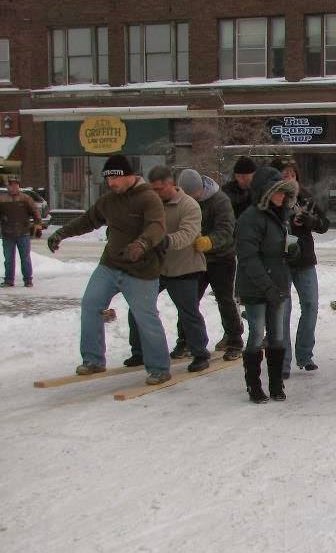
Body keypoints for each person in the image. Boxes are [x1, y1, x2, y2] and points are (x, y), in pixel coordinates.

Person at [46, 155, 171, 384]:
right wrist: (61, 233)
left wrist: (141, 244)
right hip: (111, 265)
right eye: (108, 179)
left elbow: (157, 227)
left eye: (116, 178)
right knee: (91, 304)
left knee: (146, 318)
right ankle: (93, 359)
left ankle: (160, 368)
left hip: (142, 270)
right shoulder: (109, 200)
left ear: (130, 176)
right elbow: (88, 220)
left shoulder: (149, 198)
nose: (111, 183)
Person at [125, 165, 210, 372]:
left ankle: (200, 353)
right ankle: (139, 351)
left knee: (188, 312)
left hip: (185, 267)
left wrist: (163, 241)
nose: (156, 193)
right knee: (138, 306)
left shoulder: (189, 205)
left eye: (160, 189)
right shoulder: (150, 203)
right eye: (152, 189)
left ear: (171, 184)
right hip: (156, 267)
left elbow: (188, 234)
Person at [235, 170, 299, 403]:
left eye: (284, 191)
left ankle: (275, 383)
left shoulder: (279, 216)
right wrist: (268, 288)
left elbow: (276, 251)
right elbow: (249, 259)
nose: (282, 196)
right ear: (266, 192)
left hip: (278, 285)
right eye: (278, 191)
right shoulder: (250, 219)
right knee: (256, 335)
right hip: (256, 288)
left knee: (278, 336)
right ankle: (254, 385)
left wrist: (293, 251)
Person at [177, 168, 244, 360]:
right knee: (189, 301)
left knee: (225, 299)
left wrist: (209, 241)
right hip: (195, 259)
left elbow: (226, 229)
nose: (191, 198)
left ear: (200, 188)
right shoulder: (182, 201)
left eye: (193, 194)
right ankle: (185, 341)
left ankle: (234, 340)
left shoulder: (219, 200)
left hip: (222, 257)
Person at [281, 175, 330, 377]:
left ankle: (305, 355)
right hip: (281, 261)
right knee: (283, 312)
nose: (289, 178)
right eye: (284, 174)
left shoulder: (306, 199)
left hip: (304, 259)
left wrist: (311, 221)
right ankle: (283, 362)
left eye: (292, 174)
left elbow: (324, 224)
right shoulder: (273, 200)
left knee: (311, 305)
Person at [0, 177, 42, 287]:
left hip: (23, 233)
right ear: (7, 186)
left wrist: (38, 225)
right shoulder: (2, 199)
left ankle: (28, 280)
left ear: (18, 186)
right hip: (7, 234)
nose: (13, 187)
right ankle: (9, 280)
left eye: (15, 185)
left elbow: (35, 212)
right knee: (8, 259)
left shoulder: (26, 198)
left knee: (25, 258)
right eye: (11, 185)